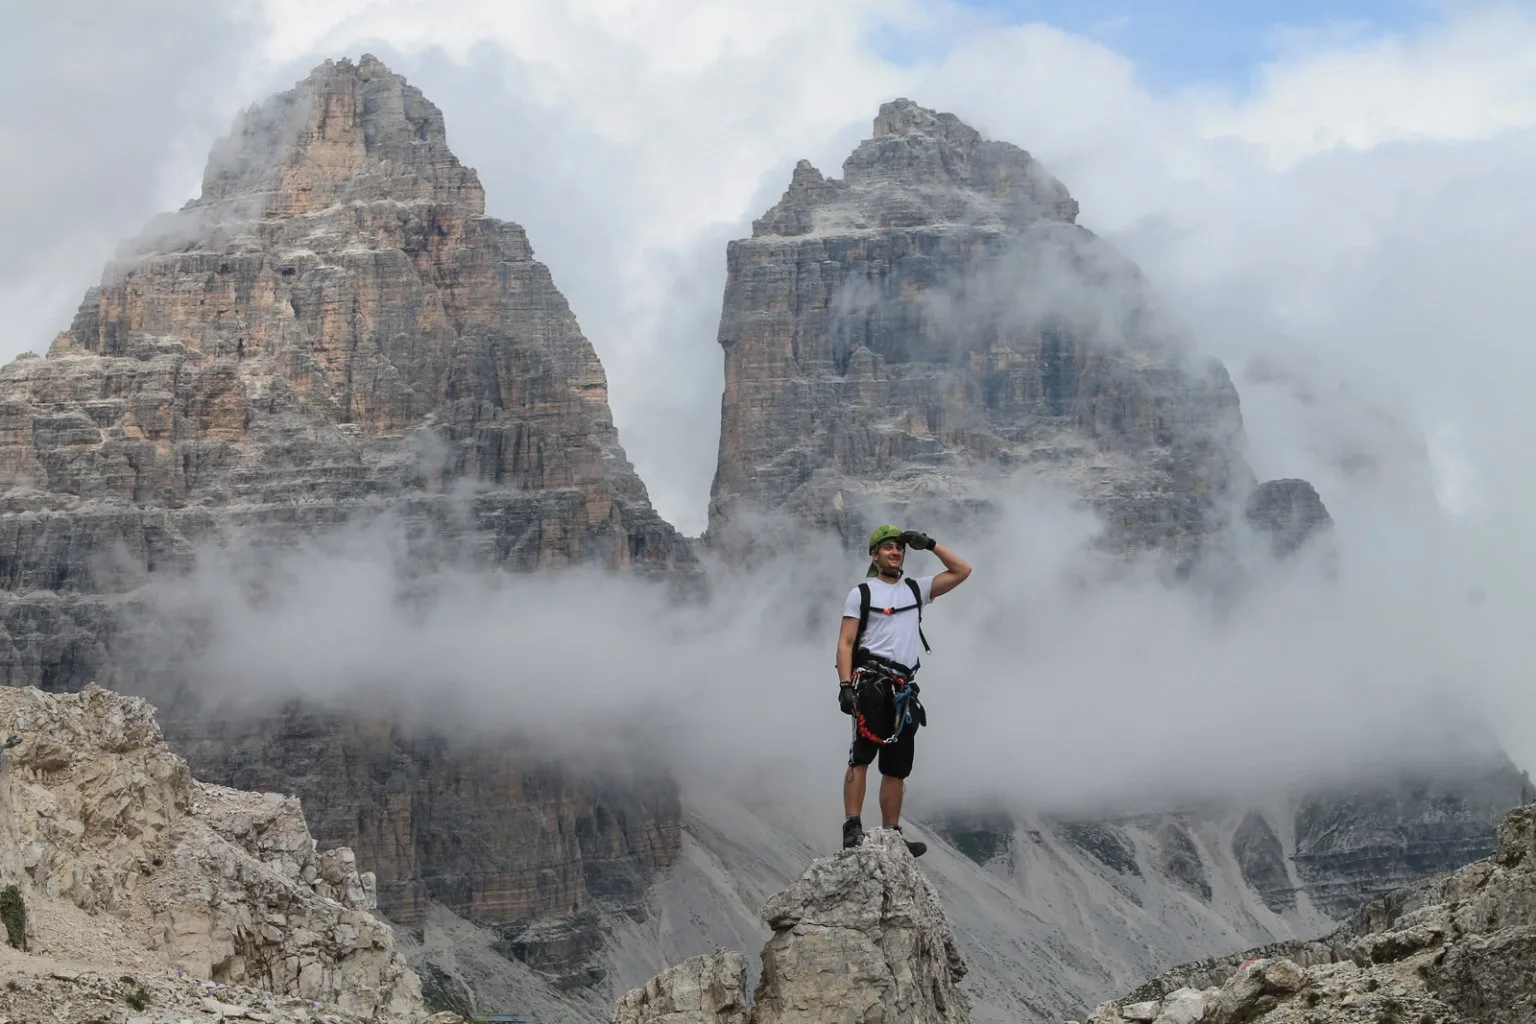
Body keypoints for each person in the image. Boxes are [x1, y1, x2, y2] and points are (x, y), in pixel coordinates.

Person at [836, 525, 971, 857]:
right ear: (874, 554)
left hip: (903, 688)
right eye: (888, 548)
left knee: (897, 767)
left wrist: (931, 544)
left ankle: (892, 835)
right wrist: (844, 686)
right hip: (870, 681)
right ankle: (852, 827)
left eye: (899, 548)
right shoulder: (862, 593)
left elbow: (962, 570)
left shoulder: (916, 590)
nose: (895, 552)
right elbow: (846, 642)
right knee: (861, 755)